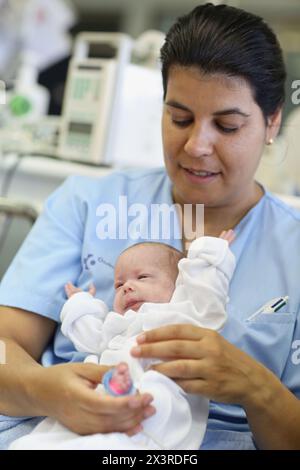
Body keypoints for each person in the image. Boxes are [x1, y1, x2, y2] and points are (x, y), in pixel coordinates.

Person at [0, 2, 300, 450]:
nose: (197, 145)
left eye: (227, 125)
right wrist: (47, 391)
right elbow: (6, 342)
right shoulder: (87, 203)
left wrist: (255, 388)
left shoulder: (290, 246)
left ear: (272, 121)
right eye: (179, 118)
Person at [10, 232, 235, 449]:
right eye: (118, 285)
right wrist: (80, 303)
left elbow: (208, 299)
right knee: (38, 441)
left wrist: (209, 257)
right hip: (100, 404)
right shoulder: (117, 326)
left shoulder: (185, 315)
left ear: (180, 285)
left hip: (154, 409)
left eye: (143, 277)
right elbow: (90, 337)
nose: (126, 286)